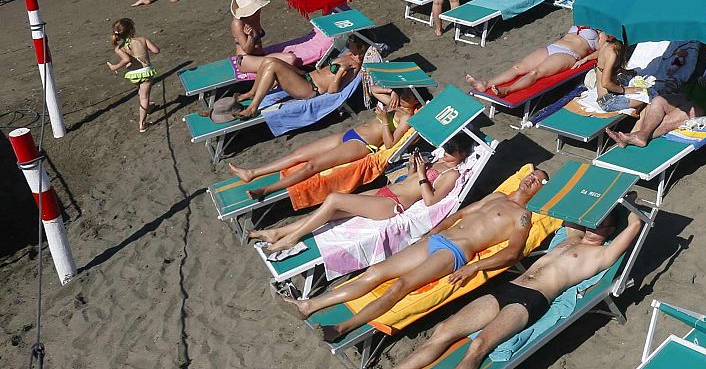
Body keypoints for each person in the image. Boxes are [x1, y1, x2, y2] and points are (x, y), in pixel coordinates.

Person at [339, 209, 643, 369]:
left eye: (600, 223)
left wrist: (632, 205)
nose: (592, 225)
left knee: (480, 345)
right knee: (444, 330)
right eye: (592, 221)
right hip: (508, 289)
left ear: (609, 230)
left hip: (532, 300)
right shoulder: (570, 238)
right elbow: (574, 208)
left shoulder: (602, 254)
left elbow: (635, 225)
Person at [280, 171, 550, 343]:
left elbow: (512, 252)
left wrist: (475, 267)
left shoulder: (522, 216)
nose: (530, 179)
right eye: (531, 174)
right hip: (436, 240)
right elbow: (459, 215)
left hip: (454, 252)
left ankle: (342, 327)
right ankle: (308, 306)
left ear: (539, 190)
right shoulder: (497, 195)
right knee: (375, 273)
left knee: (401, 286)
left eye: (537, 181)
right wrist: (432, 231)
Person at [250, 134, 476, 254]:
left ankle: (291, 238)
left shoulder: (453, 175)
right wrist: (413, 166)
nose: (445, 155)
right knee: (330, 211)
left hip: (391, 204)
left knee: (334, 199)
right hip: (385, 192)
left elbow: (430, 200)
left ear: (462, 154)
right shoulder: (438, 161)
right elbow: (411, 180)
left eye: (451, 153)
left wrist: (421, 174)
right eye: (446, 150)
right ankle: (276, 233)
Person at [215, 43, 371, 129]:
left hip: (311, 89)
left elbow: (333, 91)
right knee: (269, 61)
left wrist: (340, 72)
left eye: (351, 40)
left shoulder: (353, 66)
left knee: (273, 66)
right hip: (306, 77)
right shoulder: (347, 54)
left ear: (359, 46)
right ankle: (250, 93)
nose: (348, 41)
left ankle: (253, 108)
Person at [466, 25, 601, 98]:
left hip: (569, 55)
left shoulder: (601, 34)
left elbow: (602, 51)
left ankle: (508, 90)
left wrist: (586, 59)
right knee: (518, 67)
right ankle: (486, 84)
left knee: (535, 72)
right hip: (552, 47)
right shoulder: (579, 23)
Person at [106, 18, 161, 133]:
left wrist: (114, 67)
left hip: (133, 75)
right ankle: (142, 124)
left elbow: (126, 59)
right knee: (144, 97)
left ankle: (148, 107)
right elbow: (156, 50)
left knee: (141, 92)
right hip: (145, 72)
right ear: (131, 30)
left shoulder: (119, 48)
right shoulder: (142, 40)